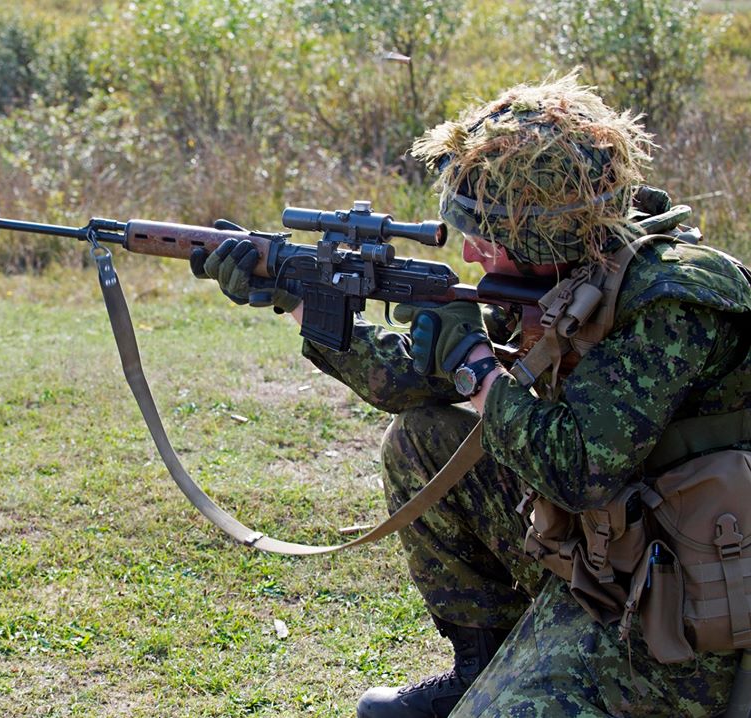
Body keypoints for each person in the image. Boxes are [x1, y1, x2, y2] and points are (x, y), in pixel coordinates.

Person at [191, 73, 751, 717]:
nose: (469, 250)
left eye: (487, 236)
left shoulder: (673, 302)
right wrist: (292, 296)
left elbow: (581, 470)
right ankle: (480, 662)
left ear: (547, 238)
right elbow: (409, 381)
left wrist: (478, 375)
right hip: (604, 554)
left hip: (687, 605)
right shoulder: (566, 280)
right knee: (424, 440)